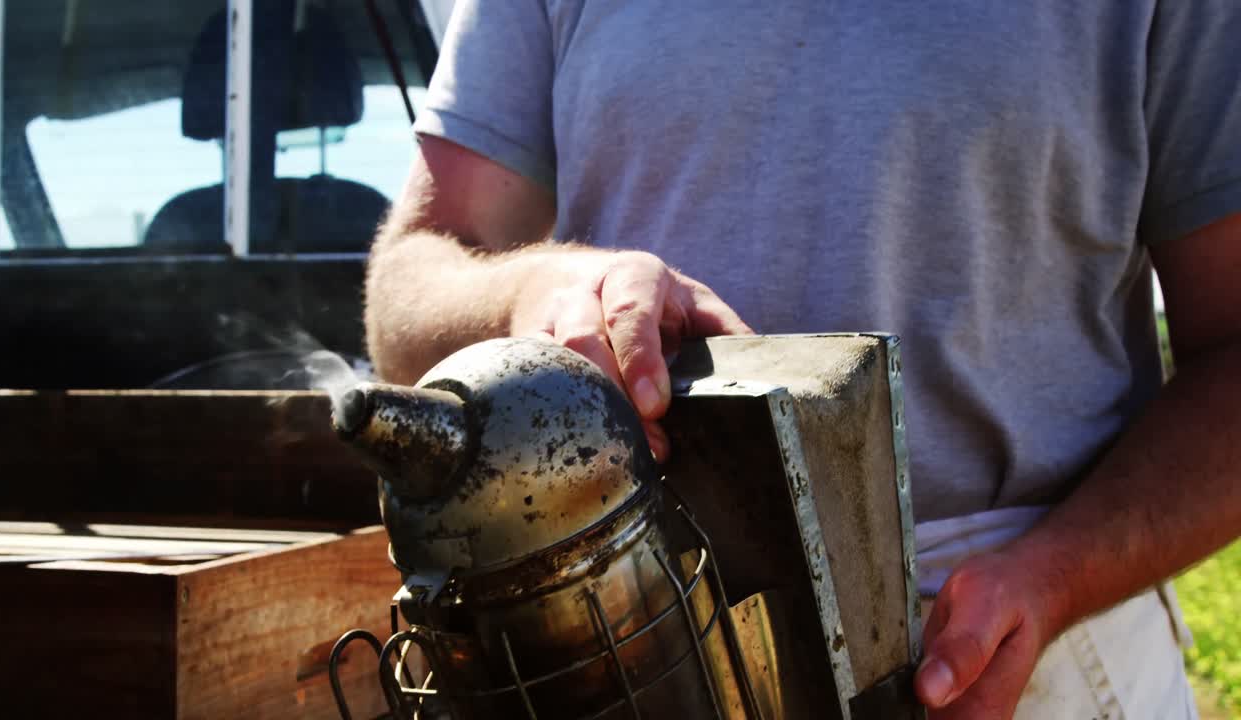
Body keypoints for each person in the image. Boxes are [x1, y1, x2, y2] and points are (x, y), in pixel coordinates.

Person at [363, 2, 1241, 717]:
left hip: (1014, 658)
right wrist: (532, 290)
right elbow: (408, 282)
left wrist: (1054, 579)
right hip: (629, 640)